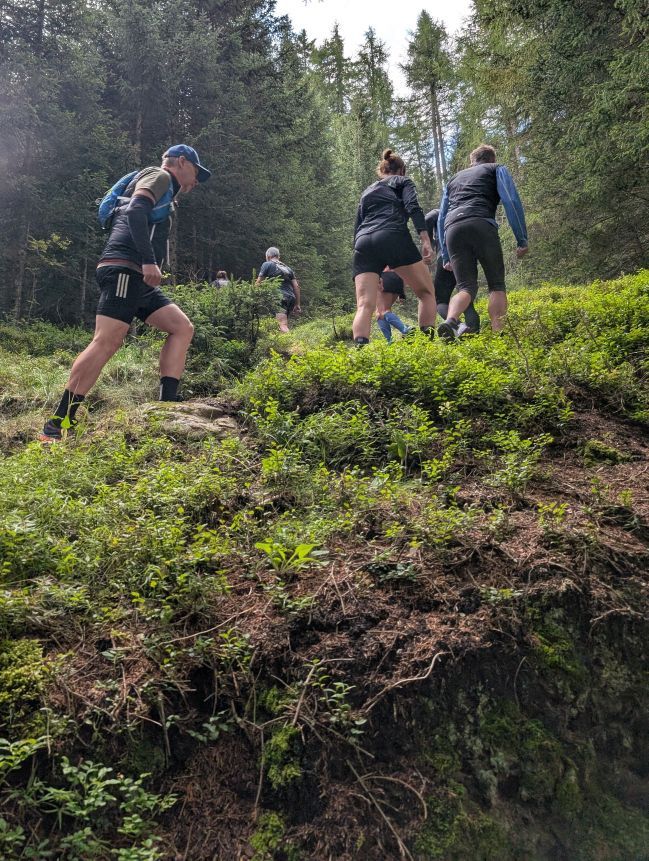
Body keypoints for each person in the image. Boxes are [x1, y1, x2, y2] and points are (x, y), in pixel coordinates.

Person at [38, 144, 211, 442]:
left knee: (181, 327)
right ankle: (57, 423)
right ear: (181, 162)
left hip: (137, 278)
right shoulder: (160, 177)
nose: (196, 180)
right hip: (125, 270)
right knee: (107, 341)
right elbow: (135, 212)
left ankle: (166, 404)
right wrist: (148, 261)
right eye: (196, 172)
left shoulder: (164, 187)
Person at [436, 144, 528, 340]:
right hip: (481, 223)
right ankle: (499, 334)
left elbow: (441, 217)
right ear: (491, 159)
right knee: (496, 285)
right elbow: (511, 200)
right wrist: (521, 238)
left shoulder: (453, 180)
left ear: (473, 161)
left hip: (453, 229)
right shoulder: (497, 169)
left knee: (466, 287)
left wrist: (445, 254)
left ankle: (451, 320)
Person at [352, 148, 436, 345]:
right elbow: (413, 207)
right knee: (426, 292)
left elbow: (358, 226)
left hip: (363, 241)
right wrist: (425, 239)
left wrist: (371, 268)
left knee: (364, 305)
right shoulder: (403, 181)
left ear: (382, 171)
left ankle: (360, 356)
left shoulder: (367, 191)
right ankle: (427, 347)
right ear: (402, 170)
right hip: (393, 234)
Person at [425, 209, 480, 336]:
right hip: (468, 257)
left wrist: (431, 242)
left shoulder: (438, 212)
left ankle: (458, 325)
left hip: (446, 257)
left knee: (440, 300)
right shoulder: (468, 211)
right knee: (466, 295)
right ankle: (473, 332)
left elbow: (427, 219)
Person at [256, 247, 301, 333]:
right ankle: (284, 345)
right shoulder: (288, 269)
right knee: (280, 324)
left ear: (268, 256)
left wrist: (252, 296)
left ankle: (295, 343)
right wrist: (297, 304)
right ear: (278, 256)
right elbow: (296, 286)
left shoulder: (267, 264)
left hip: (279, 297)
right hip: (291, 298)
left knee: (282, 324)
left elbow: (258, 283)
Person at [376, 268, 414, 343]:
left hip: (384, 276)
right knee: (382, 312)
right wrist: (402, 294)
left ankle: (405, 329)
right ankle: (389, 342)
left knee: (382, 312)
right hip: (398, 278)